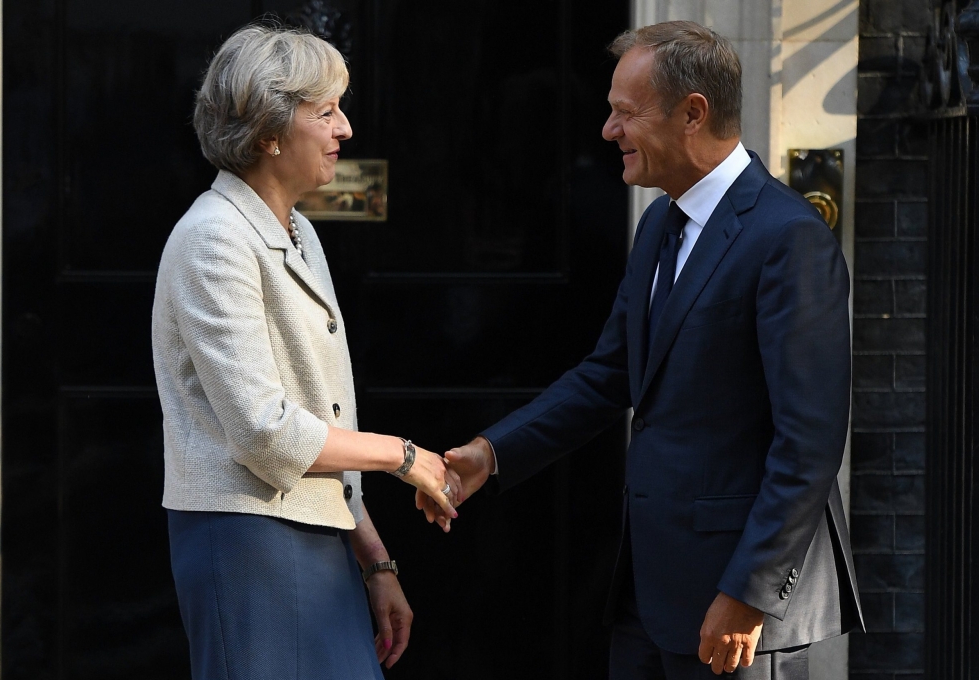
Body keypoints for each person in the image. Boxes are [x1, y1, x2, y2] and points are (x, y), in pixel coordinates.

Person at [418, 21, 863, 680]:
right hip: (648, 597)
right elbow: (608, 376)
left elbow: (811, 441)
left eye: (624, 113)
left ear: (693, 113)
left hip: (742, 613)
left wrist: (749, 592)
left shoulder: (787, 240)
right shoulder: (659, 223)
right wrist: (492, 453)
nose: (607, 131)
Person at [152, 24, 459, 680]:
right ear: (268, 131)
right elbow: (267, 432)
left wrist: (375, 560)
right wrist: (401, 456)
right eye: (327, 112)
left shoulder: (297, 231)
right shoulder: (214, 240)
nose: (345, 129)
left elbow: (320, 413)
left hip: (316, 540)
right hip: (249, 544)